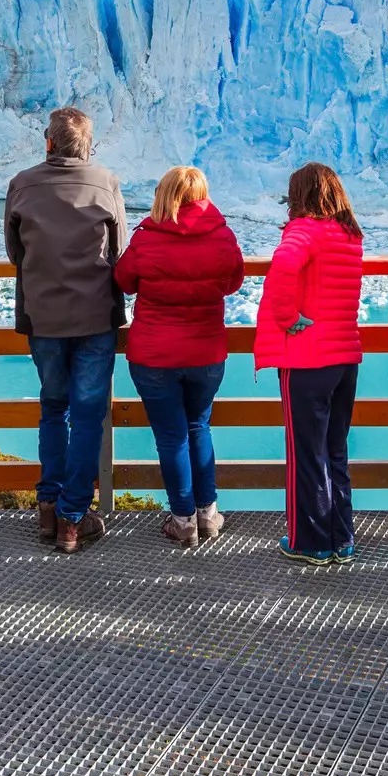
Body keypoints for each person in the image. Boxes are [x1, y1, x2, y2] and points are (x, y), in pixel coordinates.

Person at [5, 107, 129, 554]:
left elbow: (14, 251)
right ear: (88, 146)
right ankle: (73, 519)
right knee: (88, 414)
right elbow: (119, 252)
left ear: (49, 142)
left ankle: (47, 506)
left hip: (43, 318)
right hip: (96, 319)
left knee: (53, 408)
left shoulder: (22, 184)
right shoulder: (106, 183)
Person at [113, 166, 246, 548]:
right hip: (206, 354)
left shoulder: (147, 238)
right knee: (198, 427)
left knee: (171, 439)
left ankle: (183, 520)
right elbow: (233, 281)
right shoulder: (222, 236)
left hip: (154, 356)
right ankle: (208, 514)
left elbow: (124, 280)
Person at [255, 163, 367, 566]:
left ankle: (310, 541)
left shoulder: (304, 229)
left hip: (306, 360)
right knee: (334, 450)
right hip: (344, 357)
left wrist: (287, 318)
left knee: (306, 453)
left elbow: (282, 269)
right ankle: (342, 538)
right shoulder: (349, 235)